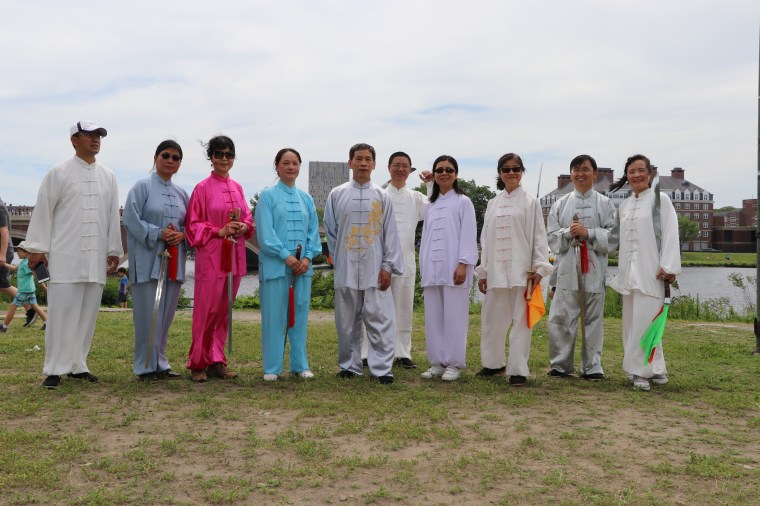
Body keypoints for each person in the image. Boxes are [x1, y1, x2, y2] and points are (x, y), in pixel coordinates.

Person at [25, 120, 122, 389]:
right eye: (89, 135)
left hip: (95, 258)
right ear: (74, 140)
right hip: (65, 257)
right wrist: (38, 248)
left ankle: (79, 365)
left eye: (98, 135)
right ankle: (55, 368)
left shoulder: (109, 176)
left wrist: (113, 249)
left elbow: (112, 216)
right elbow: (43, 211)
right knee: (61, 314)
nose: (96, 139)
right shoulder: (58, 173)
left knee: (87, 315)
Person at [324, 143, 403, 384]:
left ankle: (381, 368)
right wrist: (339, 260)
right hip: (346, 267)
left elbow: (391, 234)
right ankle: (349, 366)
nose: (363, 163)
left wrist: (388, 266)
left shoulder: (382, 196)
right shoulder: (336, 194)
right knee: (346, 321)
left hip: (375, 268)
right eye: (358, 158)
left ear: (374, 164)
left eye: (368, 159)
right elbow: (331, 232)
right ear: (350, 163)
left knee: (380, 319)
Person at [475, 153, 552, 387]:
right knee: (492, 319)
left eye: (516, 169)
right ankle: (493, 363)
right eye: (506, 169)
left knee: (521, 322)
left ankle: (518, 369)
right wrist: (483, 271)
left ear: (522, 172)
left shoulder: (531, 202)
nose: (511, 173)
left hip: (523, 271)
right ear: (500, 173)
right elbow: (485, 240)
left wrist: (540, 268)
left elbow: (539, 237)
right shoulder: (492, 203)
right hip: (496, 271)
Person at [609, 154, 681, 391]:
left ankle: (639, 372)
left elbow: (671, 232)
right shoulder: (625, 205)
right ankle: (657, 368)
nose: (636, 175)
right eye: (631, 172)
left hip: (652, 273)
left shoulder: (660, 200)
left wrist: (668, 266)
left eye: (641, 170)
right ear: (626, 176)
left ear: (649, 173)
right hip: (628, 274)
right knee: (632, 324)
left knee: (646, 322)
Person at [185, 135, 253, 383]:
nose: (224, 159)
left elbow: (247, 217)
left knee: (224, 311)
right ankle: (198, 362)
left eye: (228, 154)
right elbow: (192, 226)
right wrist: (219, 231)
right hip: (211, 258)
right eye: (219, 154)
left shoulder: (238, 188)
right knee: (207, 311)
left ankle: (216, 360)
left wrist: (244, 226)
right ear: (211, 158)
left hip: (234, 257)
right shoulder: (201, 189)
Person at [546, 155, 618, 380]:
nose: (580, 174)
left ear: (595, 174)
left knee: (593, 321)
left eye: (585, 169)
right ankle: (560, 364)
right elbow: (551, 238)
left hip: (595, 270)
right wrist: (569, 233)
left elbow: (614, 239)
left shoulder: (606, 204)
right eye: (576, 170)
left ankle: (592, 366)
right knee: (562, 319)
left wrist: (589, 233)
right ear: (571, 174)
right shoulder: (560, 204)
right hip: (566, 270)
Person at [123, 140, 189, 381]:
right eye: (166, 155)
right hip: (147, 262)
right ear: (155, 158)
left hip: (173, 263)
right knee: (147, 317)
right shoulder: (142, 187)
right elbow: (131, 220)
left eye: (176, 158)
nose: (170, 161)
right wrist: (158, 233)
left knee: (165, 317)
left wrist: (182, 235)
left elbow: (190, 226)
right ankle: (145, 366)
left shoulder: (182, 194)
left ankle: (161, 363)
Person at [360, 152, 433, 369]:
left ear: (410, 170)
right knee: (374, 307)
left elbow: (433, 210)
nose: (400, 169)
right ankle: (367, 352)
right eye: (396, 165)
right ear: (389, 168)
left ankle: (402, 352)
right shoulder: (379, 194)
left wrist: (430, 185)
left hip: (407, 260)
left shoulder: (416, 197)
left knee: (404, 307)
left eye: (405, 166)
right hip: (378, 260)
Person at [255, 148, 322, 381]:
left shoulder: (306, 199)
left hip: (302, 269)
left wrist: (307, 258)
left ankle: (299, 365)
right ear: (277, 167)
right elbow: (266, 235)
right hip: (276, 267)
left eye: (295, 163)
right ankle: (272, 368)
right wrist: (286, 256)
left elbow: (313, 233)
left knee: (300, 316)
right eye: (286, 163)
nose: (291, 167)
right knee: (274, 318)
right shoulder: (267, 196)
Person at [419, 155, 478, 382]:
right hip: (432, 268)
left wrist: (463, 263)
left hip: (455, 269)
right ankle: (437, 362)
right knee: (433, 318)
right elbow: (426, 238)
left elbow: (468, 234)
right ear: (435, 174)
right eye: (440, 170)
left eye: (449, 170)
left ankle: (454, 363)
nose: (444, 173)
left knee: (455, 318)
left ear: (456, 174)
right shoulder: (431, 205)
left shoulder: (463, 201)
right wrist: (424, 267)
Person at [0, 242, 48, 333]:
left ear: (27, 252)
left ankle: (4, 326)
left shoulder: (26, 264)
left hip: (23, 291)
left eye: (19, 251)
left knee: (13, 307)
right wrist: (4, 264)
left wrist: (44, 287)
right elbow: (14, 268)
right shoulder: (25, 262)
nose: (17, 253)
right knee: (35, 307)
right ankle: (47, 322)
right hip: (30, 290)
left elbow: (35, 274)